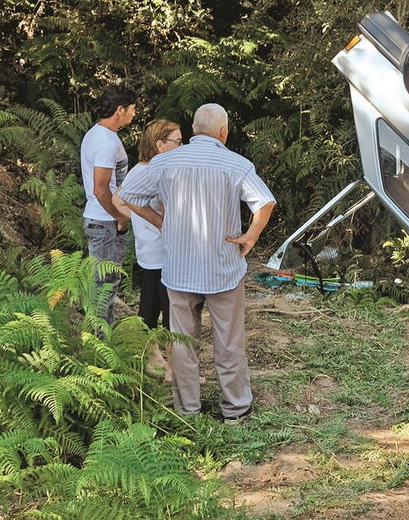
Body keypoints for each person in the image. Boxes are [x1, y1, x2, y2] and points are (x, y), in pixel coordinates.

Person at [118, 103, 275, 422]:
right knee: (228, 342)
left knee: (182, 344)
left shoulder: (165, 162)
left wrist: (160, 220)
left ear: (192, 129)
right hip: (223, 271)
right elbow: (265, 201)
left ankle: (187, 410)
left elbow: (129, 195)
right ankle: (235, 409)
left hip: (178, 271)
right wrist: (250, 236)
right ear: (223, 131)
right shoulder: (236, 163)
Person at [113, 119, 183, 377]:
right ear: (159, 144)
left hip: (152, 252)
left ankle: (154, 360)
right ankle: (171, 369)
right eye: (177, 141)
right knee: (170, 310)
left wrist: (140, 219)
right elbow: (117, 200)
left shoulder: (142, 170)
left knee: (152, 306)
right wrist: (153, 221)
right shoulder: (149, 171)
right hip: (160, 252)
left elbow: (121, 201)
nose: (182, 145)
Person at [80, 84, 137, 324]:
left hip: (104, 221)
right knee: (103, 288)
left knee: (107, 286)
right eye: (133, 109)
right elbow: (100, 189)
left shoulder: (98, 134)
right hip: (105, 223)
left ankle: (105, 339)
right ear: (120, 110)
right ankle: (99, 344)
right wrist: (120, 217)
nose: (135, 114)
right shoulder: (106, 142)